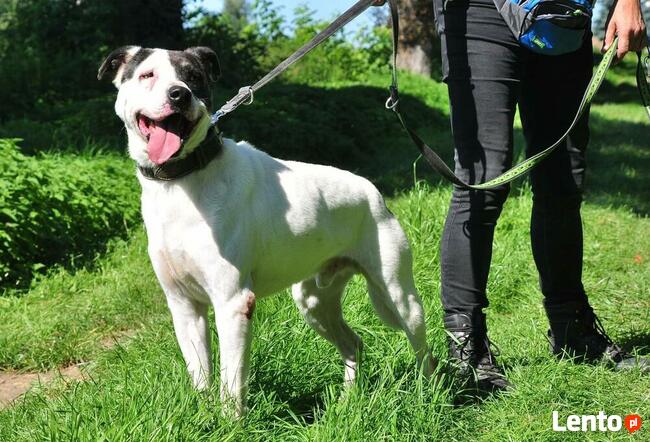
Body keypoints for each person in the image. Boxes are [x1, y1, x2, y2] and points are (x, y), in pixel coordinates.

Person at [432, 0, 649, 392]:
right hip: (478, 10)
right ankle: (466, 348)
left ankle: (572, 330)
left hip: (564, 15)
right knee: (484, 179)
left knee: (563, 180)